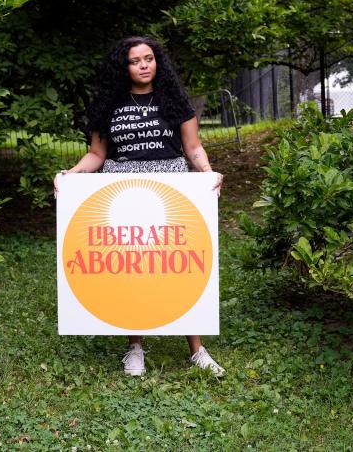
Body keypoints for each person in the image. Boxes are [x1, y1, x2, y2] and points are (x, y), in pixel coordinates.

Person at [53, 36, 225, 377]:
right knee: (132, 269)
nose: (144, 65)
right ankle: (135, 348)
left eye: (149, 58)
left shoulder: (174, 100)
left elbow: (193, 148)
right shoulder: (109, 105)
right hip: (124, 192)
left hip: (172, 190)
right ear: (124, 66)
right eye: (135, 60)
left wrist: (208, 173)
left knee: (180, 267)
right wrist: (68, 174)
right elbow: (97, 155)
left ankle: (196, 349)